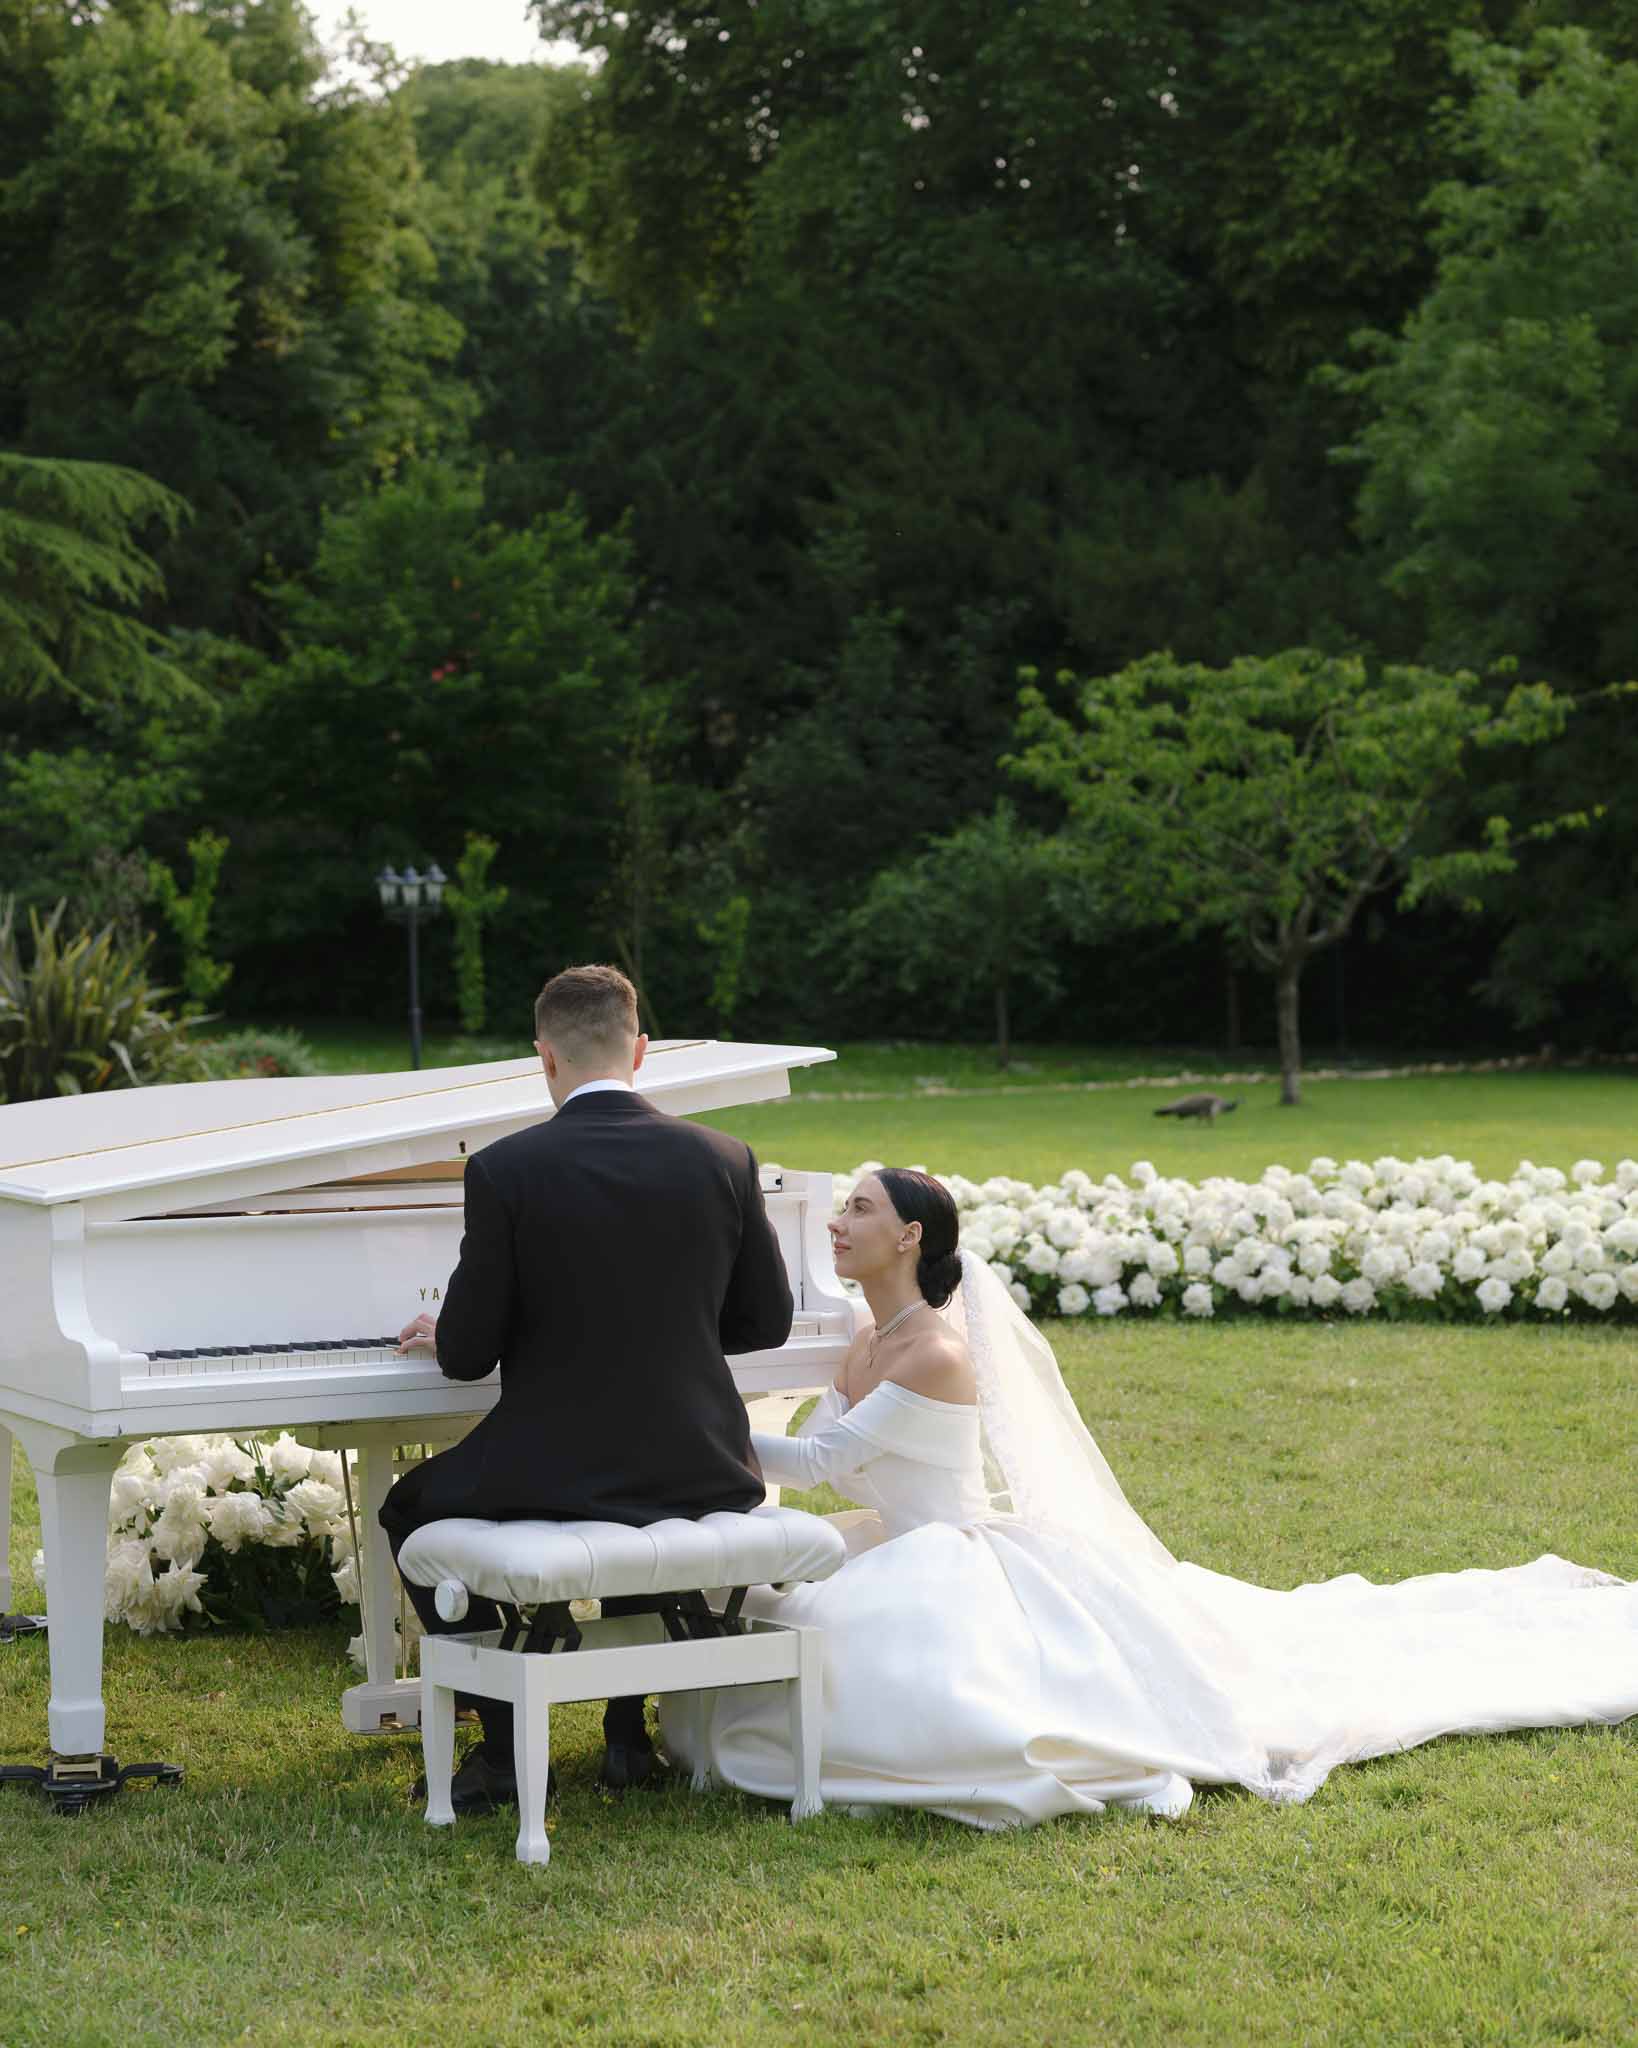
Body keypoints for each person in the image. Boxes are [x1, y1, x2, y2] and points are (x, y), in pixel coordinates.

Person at [665, 1170, 1638, 1829]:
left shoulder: (936, 1349)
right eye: (838, 1208)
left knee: (916, 1677)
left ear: (910, 1236)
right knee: (776, 1604)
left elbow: (824, 1451)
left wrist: (681, 1413)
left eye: (860, 1209)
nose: (836, 1221)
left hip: (949, 1552)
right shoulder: (862, 1342)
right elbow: (801, 1461)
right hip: (887, 1537)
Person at [380, 963, 793, 1815]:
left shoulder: (505, 1170)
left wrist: (443, 1329)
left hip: (556, 1466)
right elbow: (766, 1323)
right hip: (698, 1462)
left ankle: (499, 1750)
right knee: (636, 1501)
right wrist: (665, 1329)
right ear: (640, 1050)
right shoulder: (723, 1157)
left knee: (409, 1507)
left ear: (544, 1058)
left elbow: (464, 1357)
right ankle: (624, 1737)